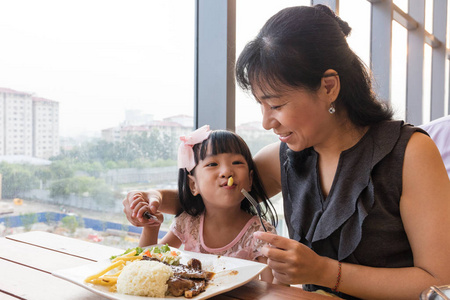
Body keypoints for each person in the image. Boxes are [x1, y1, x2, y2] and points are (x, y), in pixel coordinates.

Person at [124, 5, 450, 299]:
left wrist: (325, 273)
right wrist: (153, 198)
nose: (267, 122)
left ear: (328, 87)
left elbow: (439, 281)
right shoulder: (287, 157)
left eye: (276, 104)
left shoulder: (409, 153)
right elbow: (213, 196)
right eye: (261, 106)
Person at [127, 125, 278, 283]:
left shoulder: (261, 234)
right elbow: (146, 265)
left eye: (237, 162)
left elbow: (273, 290)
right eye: (212, 164)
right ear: (193, 185)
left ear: (250, 180)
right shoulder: (188, 223)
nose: (227, 171)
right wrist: (151, 228)